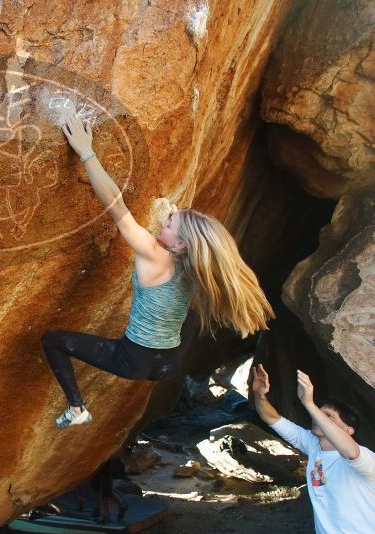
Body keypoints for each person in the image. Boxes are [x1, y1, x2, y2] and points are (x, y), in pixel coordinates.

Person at [43, 112, 275, 429]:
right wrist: (178, 220)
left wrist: (86, 152)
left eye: (168, 224)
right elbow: (187, 234)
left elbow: (115, 203)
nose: (163, 222)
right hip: (168, 361)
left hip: (134, 359)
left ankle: (77, 408)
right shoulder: (196, 265)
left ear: (180, 245)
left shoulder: (153, 254)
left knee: (52, 340)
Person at [251, 364, 375, 533]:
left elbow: (351, 453)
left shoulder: (364, 459)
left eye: (328, 416)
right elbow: (271, 418)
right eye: (318, 413)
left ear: (349, 430)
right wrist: (259, 395)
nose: (318, 418)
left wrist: (309, 404)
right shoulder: (313, 445)